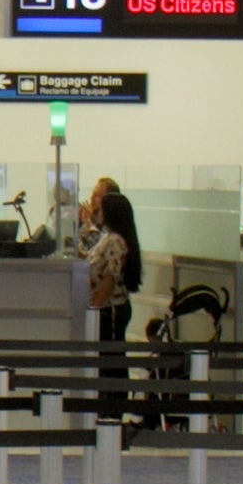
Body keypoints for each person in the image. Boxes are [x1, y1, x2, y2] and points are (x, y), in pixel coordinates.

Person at [79, 174, 145, 433]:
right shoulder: (108, 238)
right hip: (105, 309)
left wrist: (95, 306)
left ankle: (113, 410)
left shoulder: (116, 241)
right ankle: (108, 408)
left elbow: (111, 276)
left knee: (111, 359)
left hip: (111, 309)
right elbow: (92, 259)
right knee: (107, 359)